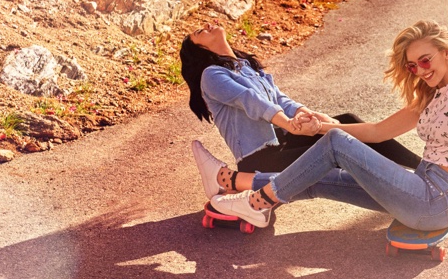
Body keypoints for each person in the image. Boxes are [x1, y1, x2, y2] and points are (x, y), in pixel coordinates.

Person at [193, 0, 448, 230]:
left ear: (445, 53)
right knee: (323, 179)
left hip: (435, 200)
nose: (420, 70)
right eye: (413, 66)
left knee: (337, 144)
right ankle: (229, 181)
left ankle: (258, 204)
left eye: (426, 60)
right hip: (423, 192)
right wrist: (323, 126)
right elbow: (376, 132)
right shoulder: (433, 96)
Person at [180, 21, 422, 194]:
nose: (208, 25)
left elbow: (279, 98)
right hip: (261, 160)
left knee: (346, 122)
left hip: (284, 143)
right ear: (199, 51)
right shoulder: (210, 75)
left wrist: (306, 114)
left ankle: (423, 169)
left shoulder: (246, 66)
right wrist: (289, 125)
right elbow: (251, 101)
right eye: (200, 32)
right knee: (338, 146)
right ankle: (407, 186)